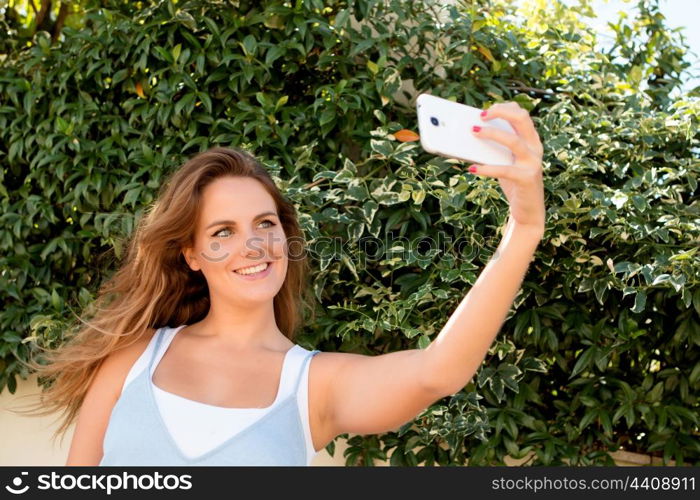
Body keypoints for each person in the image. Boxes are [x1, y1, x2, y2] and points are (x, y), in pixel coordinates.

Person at [17, 101, 545, 466]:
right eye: (223, 231)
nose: (254, 245)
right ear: (192, 254)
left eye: (265, 224)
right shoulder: (133, 358)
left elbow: (438, 372)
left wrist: (523, 228)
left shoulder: (312, 387)